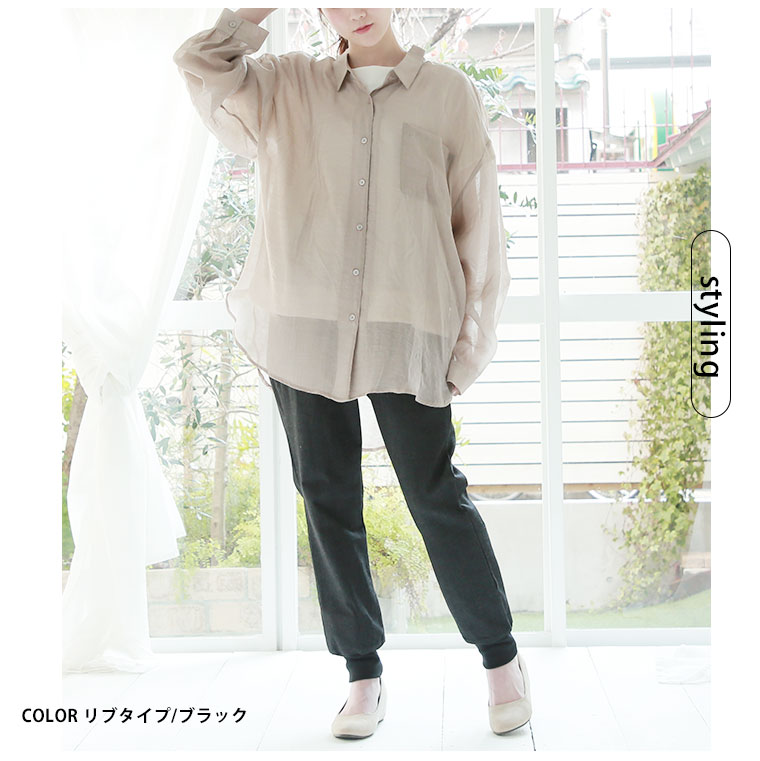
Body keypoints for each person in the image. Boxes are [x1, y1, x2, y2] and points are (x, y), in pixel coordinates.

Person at [172, 6, 531, 740]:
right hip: (304, 324)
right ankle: (362, 677)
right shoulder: (286, 86)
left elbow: (478, 230)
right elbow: (202, 63)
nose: (357, 7)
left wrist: (468, 345)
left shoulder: (449, 95)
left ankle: (501, 661)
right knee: (327, 496)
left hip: (410, 326)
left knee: (435, 492)